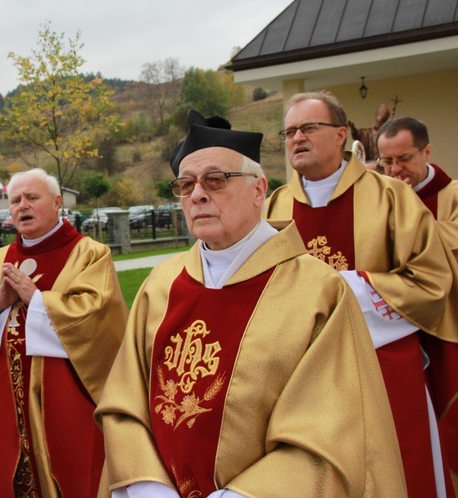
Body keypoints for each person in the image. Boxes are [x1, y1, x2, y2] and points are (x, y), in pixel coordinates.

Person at [95, 110, 405, 497]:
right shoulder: (160, 285)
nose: (198, 194)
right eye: (186, 184)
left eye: (216, 179)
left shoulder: (318, 291)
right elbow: (125, 403)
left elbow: (330, 429)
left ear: (259, 190)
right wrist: (147, 487)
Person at [266, 91, 457, 497]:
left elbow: (430, 282)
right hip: (302, 377)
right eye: (289, 131)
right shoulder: (274, 207)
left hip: (384, 368)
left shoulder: (391, 196)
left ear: (340, 134)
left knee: (400, 473)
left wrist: (346, 286)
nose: (297, 137)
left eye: (308, 128)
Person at [0, 167, 128, 497]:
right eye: (15, 200)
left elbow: (99, 318)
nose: (22, 206)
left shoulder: (89, 255)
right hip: (4, 405)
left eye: (32, 198)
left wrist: (38, 300)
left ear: (58, 201)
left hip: (66, 405)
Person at [377, 116, 458, 493]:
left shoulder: (453, 195)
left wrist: (406, 214)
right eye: (386, 162)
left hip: (449, 333)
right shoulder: (377, 200)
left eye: (404, 159)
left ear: (428, 151)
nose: (395, 170)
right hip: (398, 332)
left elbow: (446, 251)